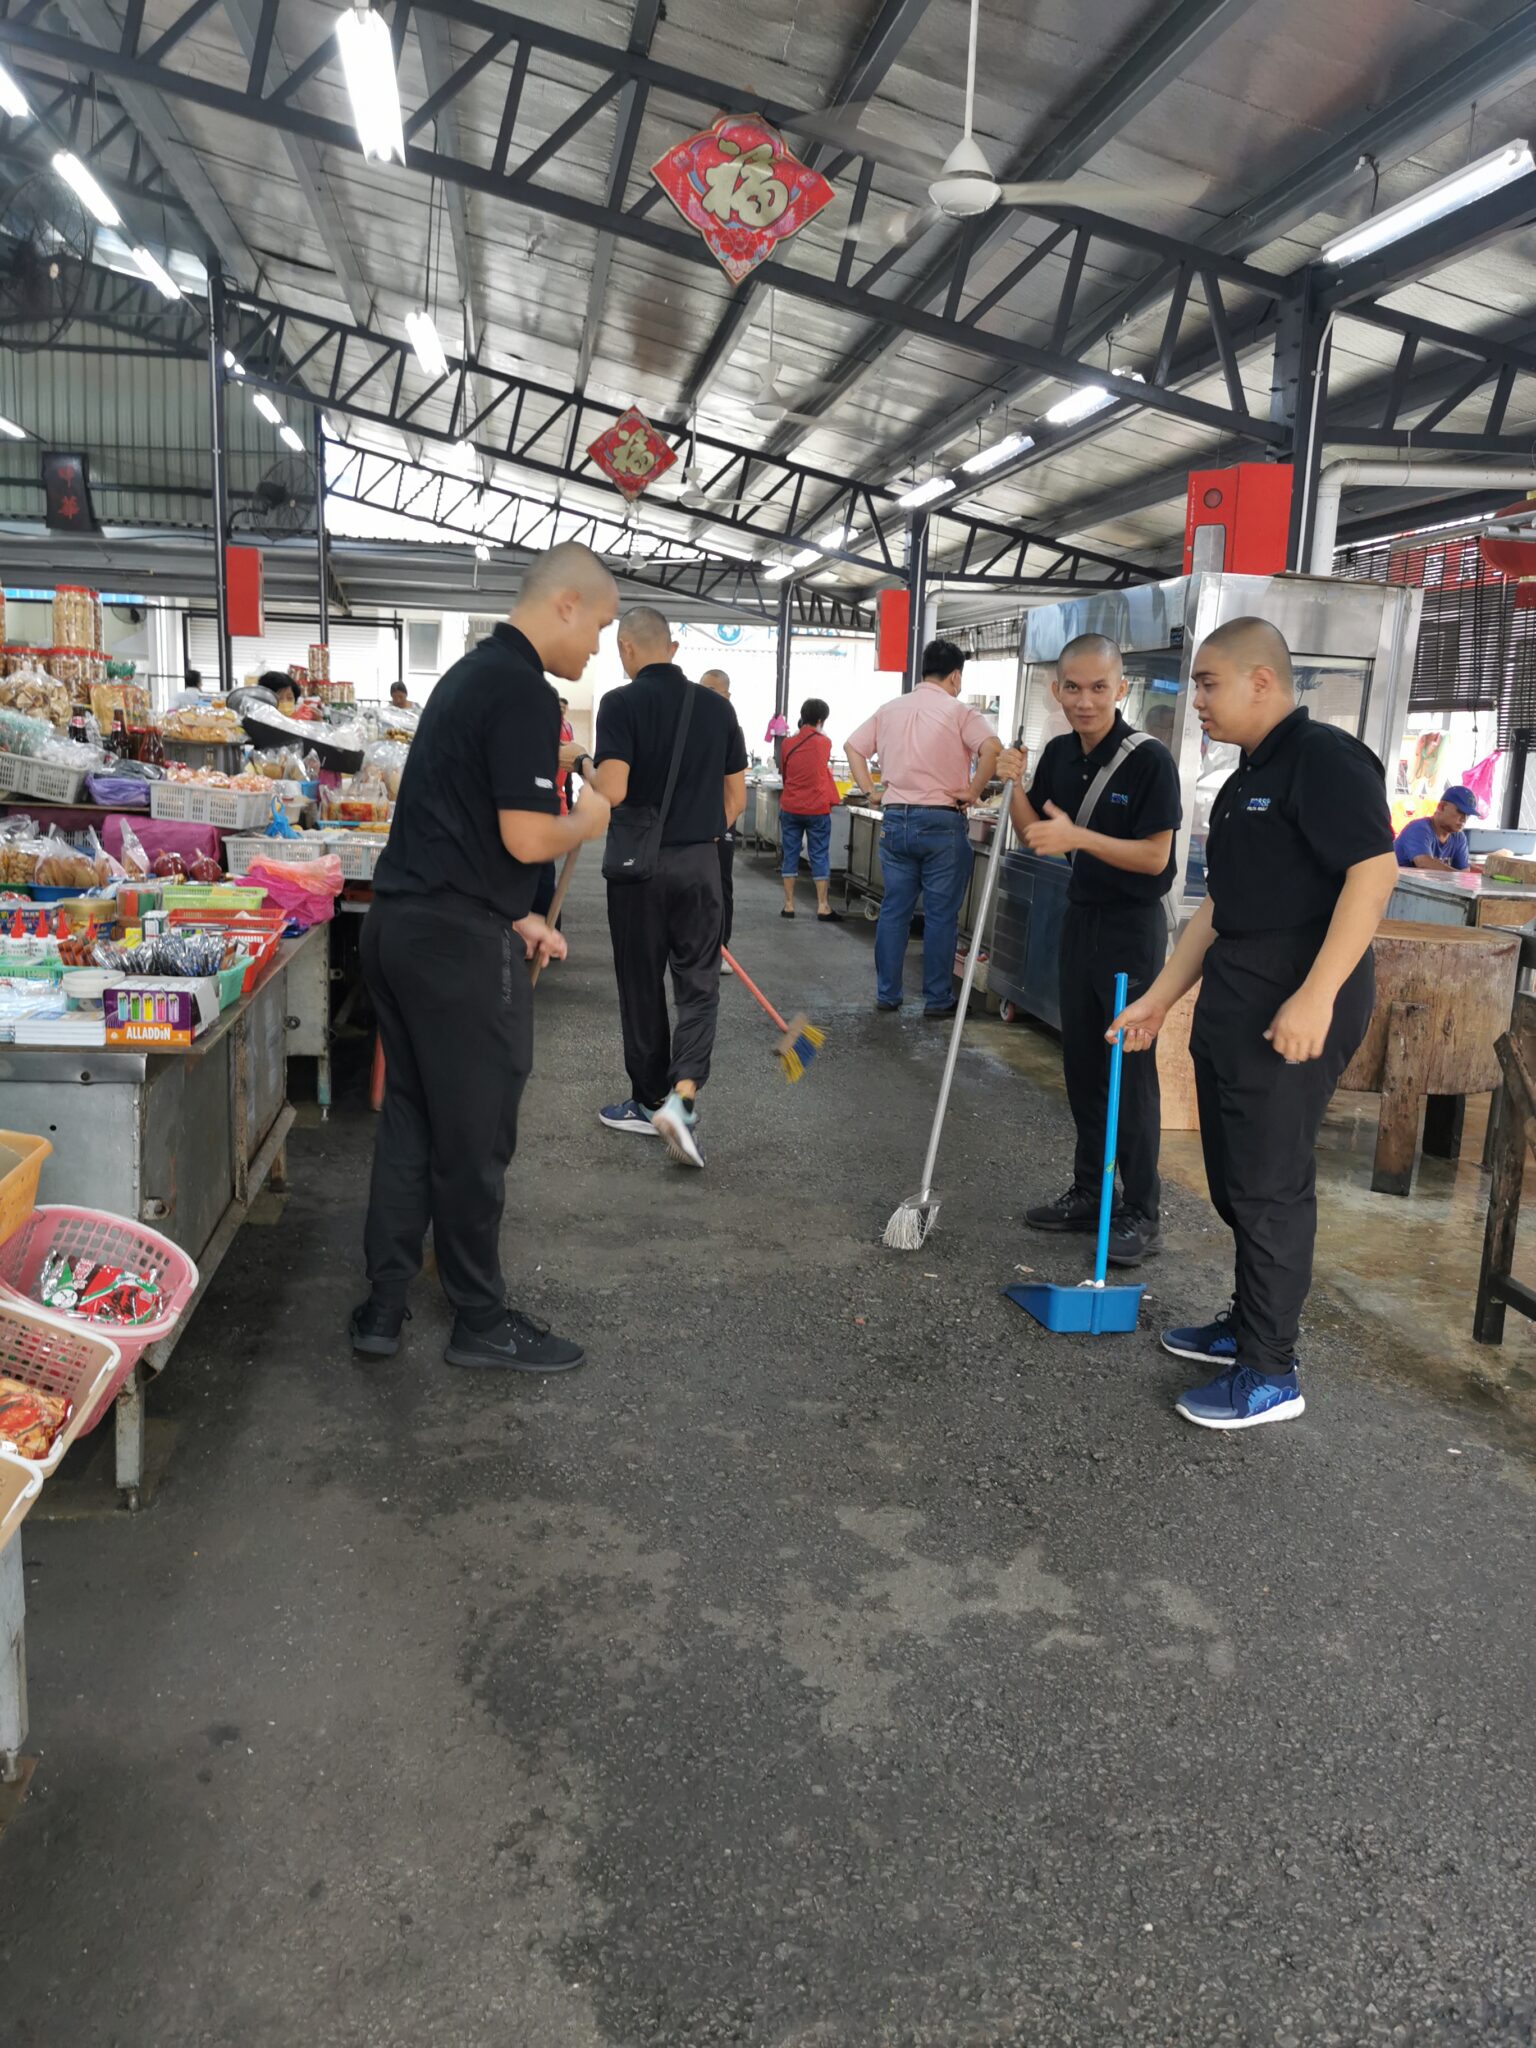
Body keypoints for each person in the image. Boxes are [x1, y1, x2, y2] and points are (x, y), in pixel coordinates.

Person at [1109, 617, 1397, 1431]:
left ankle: (1271, 1371)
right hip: (1239, 995)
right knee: (1238, 1178)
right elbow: (1220, 906)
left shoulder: (1325, 760)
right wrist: (1162, 997)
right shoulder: (1245, 775)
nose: (1196, 699)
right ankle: (1248, 1323)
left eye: (1208, 683)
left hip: (1292, 997)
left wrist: (1316, 997)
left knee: (1270, 1185)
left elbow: (1374, 874)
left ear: (1261, 680)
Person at [352, 541, 614, 1373]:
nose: (598, 647)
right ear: (566, 604)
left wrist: (513, 914)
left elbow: (457, 830)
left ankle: (383, 1307)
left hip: (401, 925)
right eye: (599, 626)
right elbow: (527, 836)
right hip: (453, 952)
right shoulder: (521, 690)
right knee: (473, 1136)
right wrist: (591, 818)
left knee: (412, 1120)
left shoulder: (467, 677)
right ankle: (479, 1318)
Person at [1011, 634, 1180, 1267]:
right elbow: (1036, 834)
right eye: (1074, 688)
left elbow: (1156, 857)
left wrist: (1080, 837)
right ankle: (1090, 1192)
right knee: (1082, 1063)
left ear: (1122, 688)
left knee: (1128, 1073)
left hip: (1131, 931)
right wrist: (1012, 783)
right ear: (1056, 690)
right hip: (1080, 920)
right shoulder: (1059, 752)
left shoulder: (1148, 761)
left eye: (1099, 688)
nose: (1085, 701)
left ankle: (1141, 1210)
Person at [590, 610, 746, 1167]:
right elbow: (736, 800)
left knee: (641, 983)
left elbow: (613, 789)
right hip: (702, 864)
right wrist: (699, 836)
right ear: (673, 647)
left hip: (639, 870)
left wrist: (581, 762)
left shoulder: (619, 703)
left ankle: (647, 1100)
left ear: (626, 647)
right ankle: (682, 1098)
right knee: (699, 985)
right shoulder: (718, 709)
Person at [845, 638, 1008, 1017]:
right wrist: (973, 791)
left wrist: (871, 791)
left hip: (896, 820)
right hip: (941, 822)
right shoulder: (960, 712)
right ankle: (937, 999)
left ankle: (888, 994)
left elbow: (853, 747)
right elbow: (993, 749)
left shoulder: (889, 709)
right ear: (955, 676)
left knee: (894, 910)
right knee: (940, 916)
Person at [778, 697, 843, 923]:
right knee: (819, 854)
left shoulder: (787, 744)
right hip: (816, 808)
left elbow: (785, 773)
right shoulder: (824, 743)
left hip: (791, 805)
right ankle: (823, 906)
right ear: (821, 720)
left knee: (790, 852)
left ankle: (788, 905)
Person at [699, 668, 745, 971]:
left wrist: (719, 827)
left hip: (721, 819)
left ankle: (722, 948)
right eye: (702, 689)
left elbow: (737, 794)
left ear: (727, 695)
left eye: (713, 690)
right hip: (693, 821)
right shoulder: (691, 725)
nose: (706, 696)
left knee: (720, 883)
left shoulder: (731, 729)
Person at [1395, 786, 1475, 871]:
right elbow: (1423, 863)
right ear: (1441, 807)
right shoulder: (1419, 829)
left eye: (1468, 815)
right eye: (1460, 811)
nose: (1464, 819)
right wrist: (1458, 875)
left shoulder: (1459, 837)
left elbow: (1464, 870)